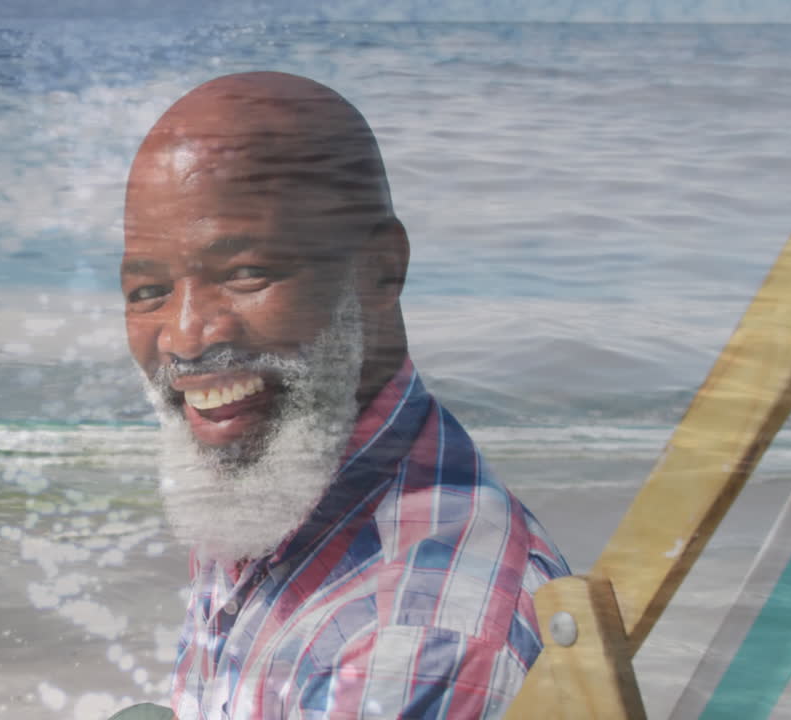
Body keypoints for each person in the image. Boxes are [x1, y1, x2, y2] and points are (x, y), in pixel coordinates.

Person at [118, 71, 570, 719]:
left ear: (380, 270)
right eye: (148, 291)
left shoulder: (411, 643)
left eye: (246, 273)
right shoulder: (279, 466)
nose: (187, 338)